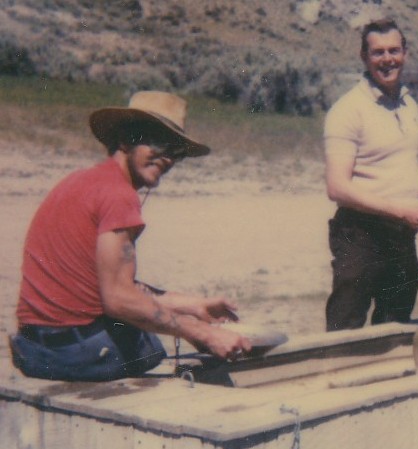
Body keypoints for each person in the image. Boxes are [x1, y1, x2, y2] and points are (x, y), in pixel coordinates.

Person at [10, 90, 251, 382]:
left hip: (33, 347)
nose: (168, 157)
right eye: (157, 141)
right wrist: (203, 332)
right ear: (126, 139)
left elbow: (108, 282)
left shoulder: (82, 181)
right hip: (70, 352)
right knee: (148, 345)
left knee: (154, 329)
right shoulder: (119, 195)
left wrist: (194, 305)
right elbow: (119, 298)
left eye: (176, 150)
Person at [323, 18, 418, 331]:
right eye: (378, 52)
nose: (387, 59)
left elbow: (411, 173)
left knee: (394, 324)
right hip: (360, 233)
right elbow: (337, 187)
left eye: (393, 50)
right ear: (364, 57)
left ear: (405, 53)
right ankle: (334, 378)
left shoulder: (407, 104)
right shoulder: (348, 110)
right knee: (346, 324)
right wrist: (400, 210)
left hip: (400, 234)